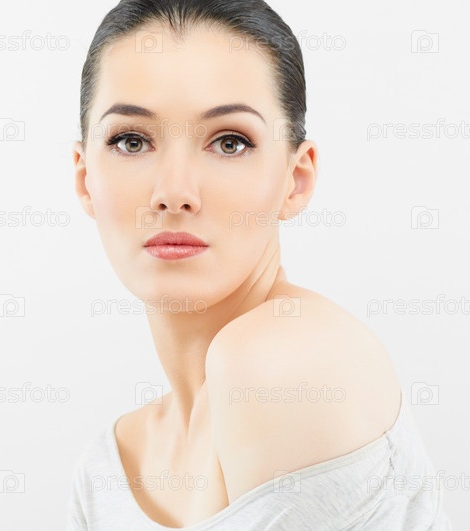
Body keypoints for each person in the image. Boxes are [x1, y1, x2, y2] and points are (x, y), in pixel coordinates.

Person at [66, 0, 454, 529]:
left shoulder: (279, 368)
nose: (174, 192)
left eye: (229, 142)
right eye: (131, 141)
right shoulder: (106, 469)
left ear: (296, 180)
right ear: (84, 178)